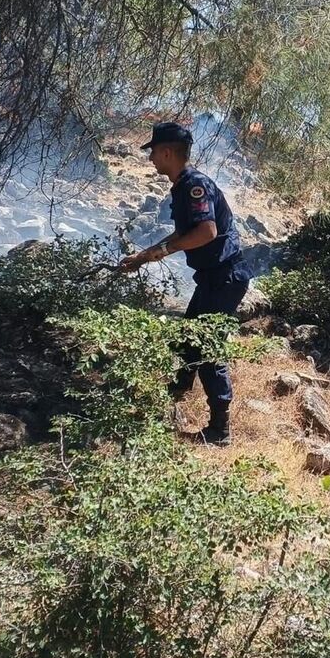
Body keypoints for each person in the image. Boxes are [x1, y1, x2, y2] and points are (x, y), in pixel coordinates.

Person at [120, 122, 249, 445]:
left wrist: (164, 250)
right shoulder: (183, 185)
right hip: (213, 279)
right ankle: (169, 408)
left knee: (205, 349)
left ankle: (220, 430)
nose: (150, 159)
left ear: (166, 152)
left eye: (153, 152)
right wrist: (145, 255)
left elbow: (207, 232)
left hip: (225, 278)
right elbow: (183, 234)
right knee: (186, 340)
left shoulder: (195, 185)